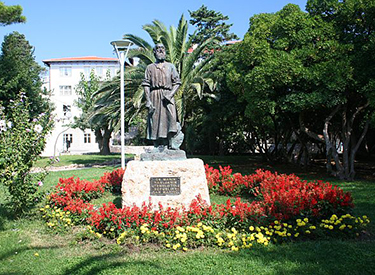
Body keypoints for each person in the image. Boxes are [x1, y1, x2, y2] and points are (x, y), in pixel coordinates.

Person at [142, 43, 182, 149]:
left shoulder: (170, 67)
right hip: (154, 95)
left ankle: (171, 143)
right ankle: (158, 145)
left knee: (171, 118)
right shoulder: (150, 68)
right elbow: (146, 84)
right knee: (155, 120)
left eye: (162, 49)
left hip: (168, 96)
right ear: (154, 52)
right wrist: (148, 100)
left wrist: (171, 94)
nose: (161, 51)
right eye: (158, 49)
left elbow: (177, 82)